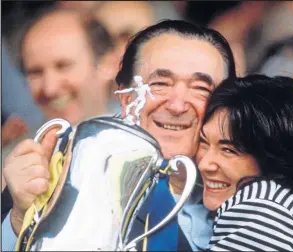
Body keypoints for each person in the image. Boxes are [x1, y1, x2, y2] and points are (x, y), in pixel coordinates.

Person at [2, 20, 236, 251]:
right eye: (160, 84)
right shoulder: (62, 171)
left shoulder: (248, 199)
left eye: (201, 89)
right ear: (126, 98)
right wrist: (19, 220)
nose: (177, 105)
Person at [196, 75, 293, 251]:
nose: (204, 164)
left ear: (275, 156)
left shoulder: (263, 207)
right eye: (203, 142)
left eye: (229, 150)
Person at [1, 6, 121, 166]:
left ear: (108, 64)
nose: (50, 88)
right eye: (35, 72)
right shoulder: (14, 164)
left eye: (63, 66)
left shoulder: (147, 144)